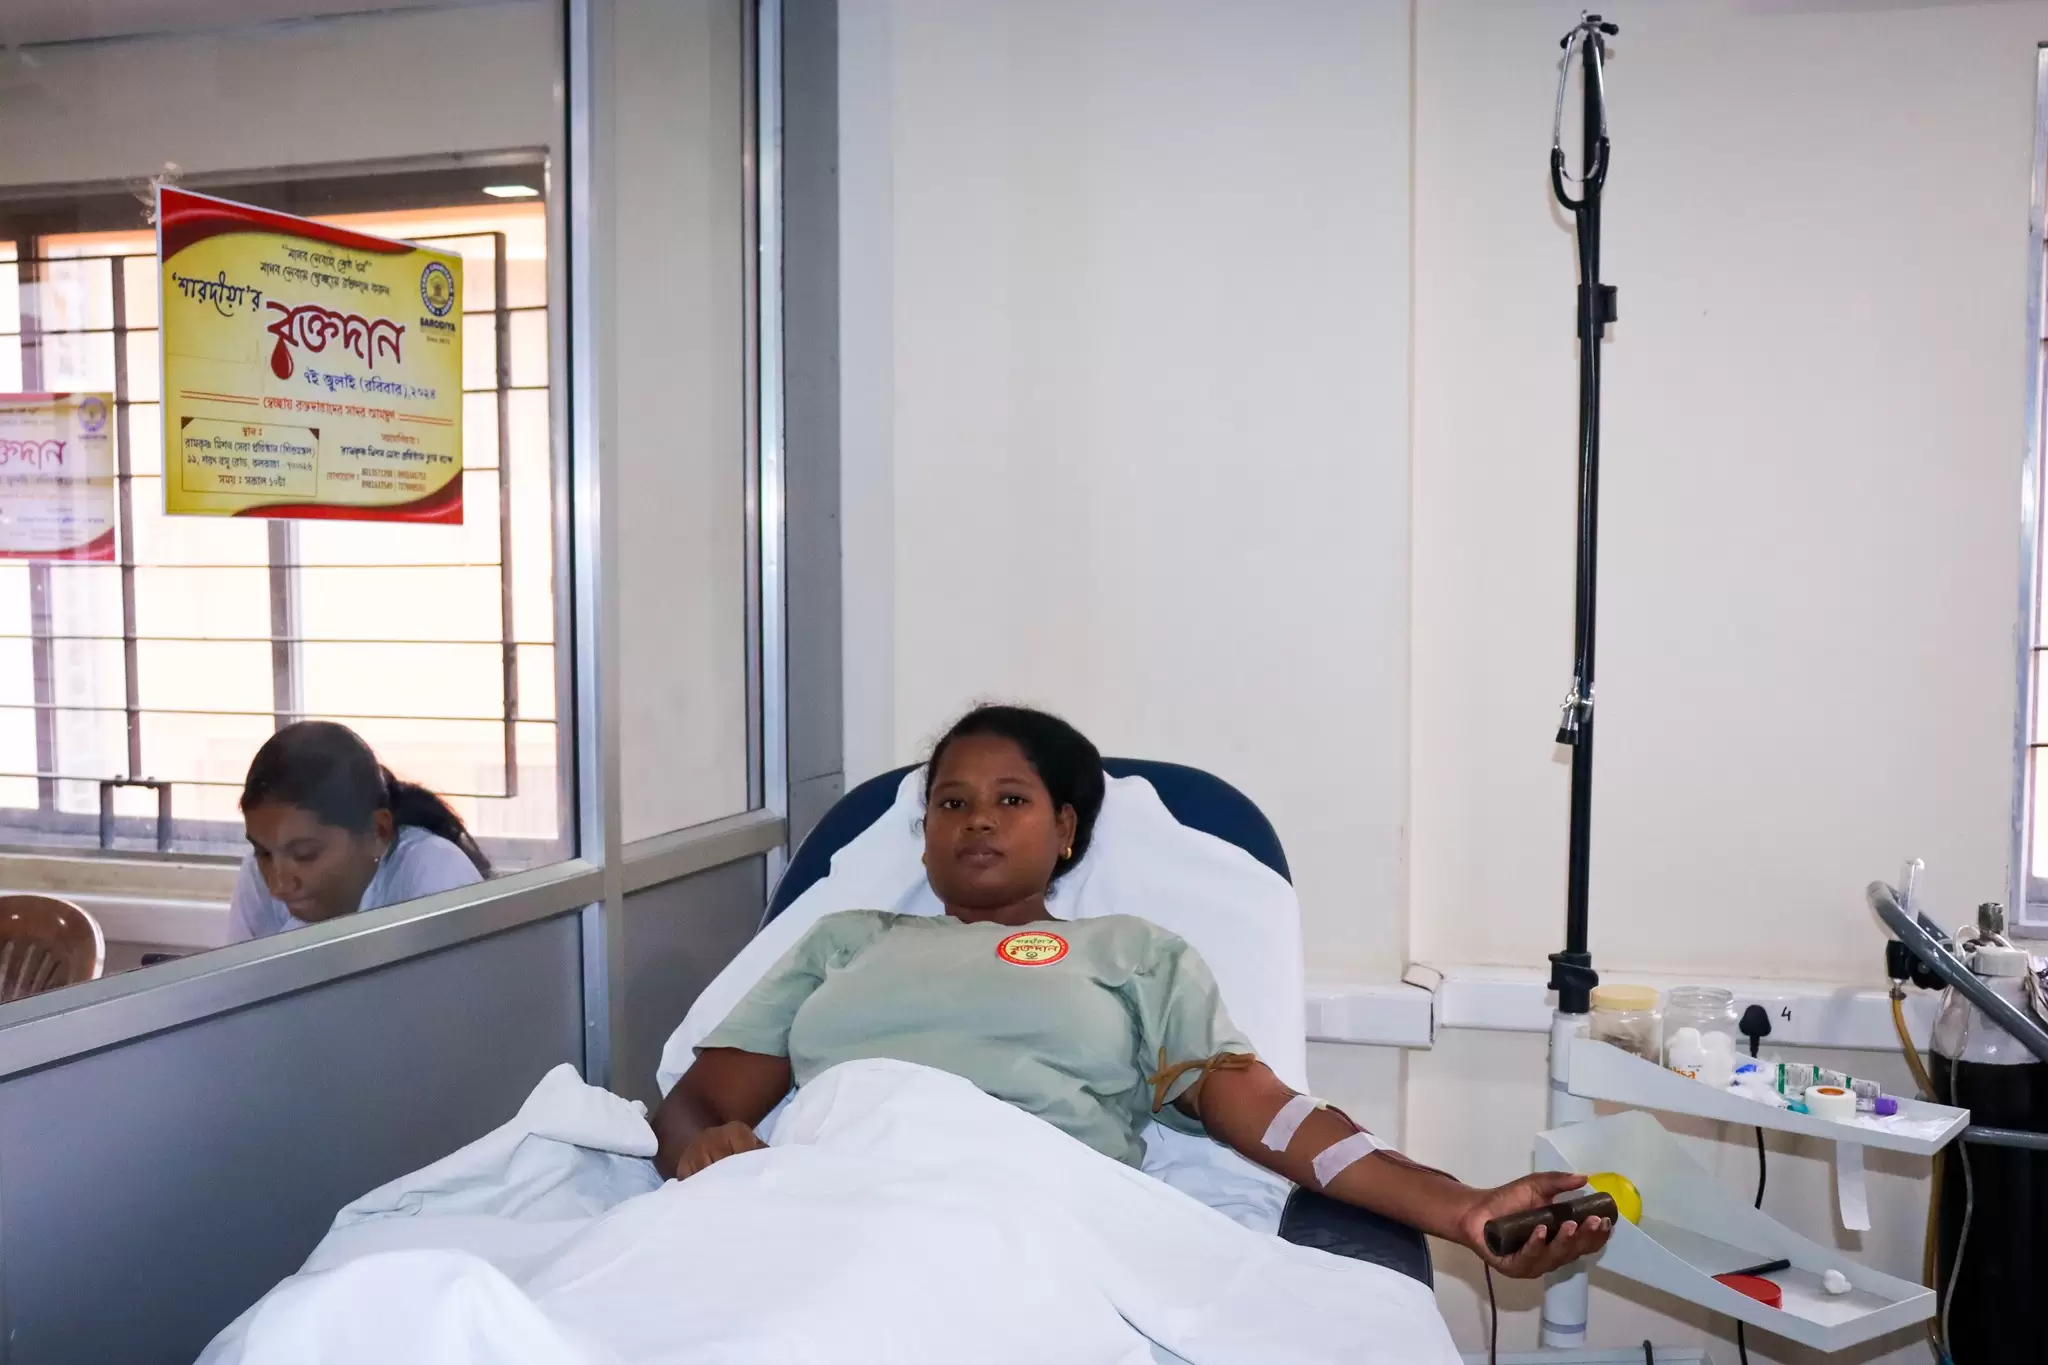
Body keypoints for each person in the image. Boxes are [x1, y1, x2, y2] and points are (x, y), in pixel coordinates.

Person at [653, 704, 1612, 1280]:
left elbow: (1271, 1114)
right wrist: (703, 1146)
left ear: (1066, 830)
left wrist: (1461, 1206)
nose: (977, 819)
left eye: (1011, 799)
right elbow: (699, 1102)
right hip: (825, 1201)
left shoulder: (1133, 953)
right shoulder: (845, 940)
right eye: (951, 802)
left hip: (1018, 1219)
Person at [227, 721, 490, 943]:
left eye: (305, 854)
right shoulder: (258, 871)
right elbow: (241, 983)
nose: (279, 886)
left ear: (378, 832)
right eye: (263, 853)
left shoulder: (436, 876)